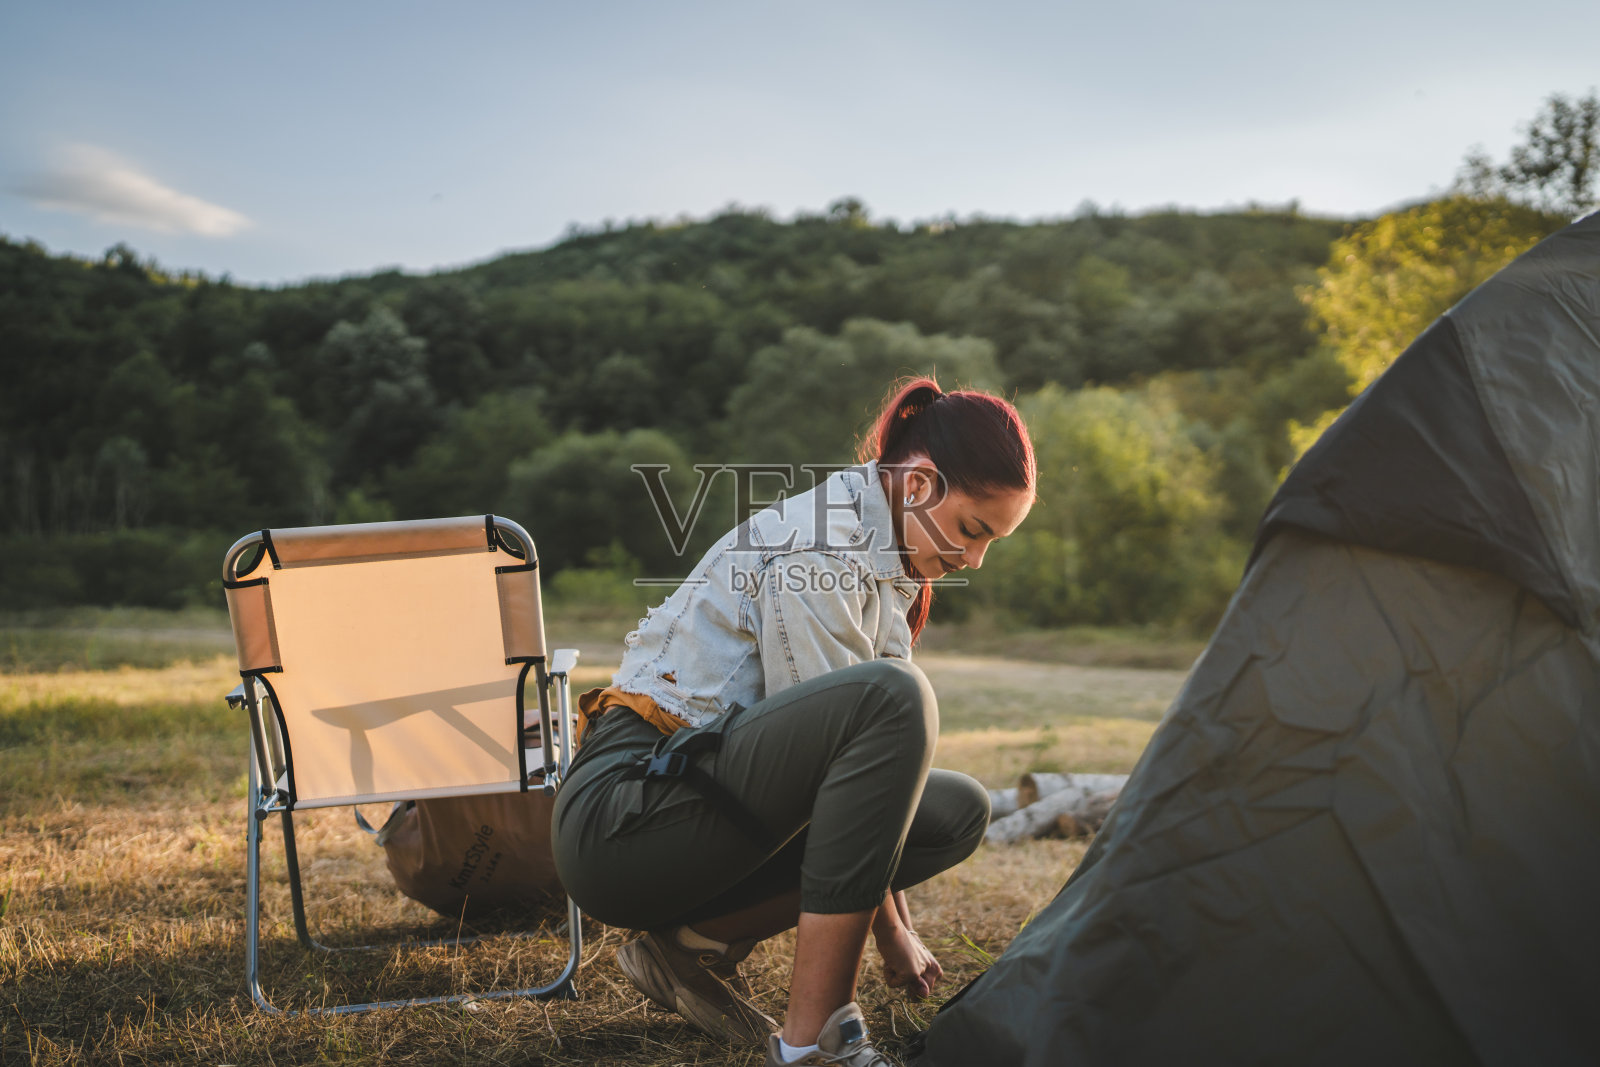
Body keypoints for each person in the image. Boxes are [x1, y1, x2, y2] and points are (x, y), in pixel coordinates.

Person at [551, 377, 1036, 1067]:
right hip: (622, 819)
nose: (974, 560)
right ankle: (816, 1040)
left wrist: (896, 925)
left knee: (956, 808)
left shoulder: (887, 557)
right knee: (896, 696)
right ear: (921, 483)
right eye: (973, 529)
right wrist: (890, 932)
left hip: (698, 802)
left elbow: (864, 779)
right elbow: (848, 754)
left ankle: (690, 943)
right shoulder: (823, 548)